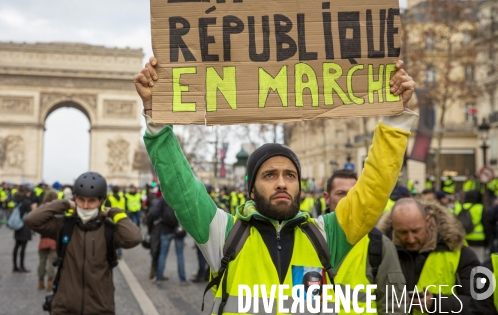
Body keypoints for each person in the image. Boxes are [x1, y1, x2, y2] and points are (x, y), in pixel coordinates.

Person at [134, 57, 416, 313]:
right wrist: (156, 122)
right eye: (269, 175)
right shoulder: (223, 234)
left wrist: (396, 121)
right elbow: (181, 187)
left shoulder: (327, 236)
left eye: (290, 175)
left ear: (299, 186)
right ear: (252, 189)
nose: (282, 182)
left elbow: (373, 189)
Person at [25, 172, 142, 314]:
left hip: (99, 309)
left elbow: (134, 238)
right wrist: (64, 203)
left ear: (101, 201)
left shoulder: (109, 230)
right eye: (81, 200)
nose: (85, 206)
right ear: (75, 199)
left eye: (91, 201)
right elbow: (31, 220)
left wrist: (114, 213)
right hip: (64, 308)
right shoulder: (63, 225)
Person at [323, 169, 407, 314]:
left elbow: (393, 305)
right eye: (341, 193)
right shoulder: (307, 238)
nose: (348, 200)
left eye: (354, 194)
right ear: (326, 198)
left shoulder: (379, 245)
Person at [377, 198, 480, 314]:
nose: (411, 239)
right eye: (403, 232)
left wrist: (436, 303)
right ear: (392, 226)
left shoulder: (459, 252)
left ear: (427, 221)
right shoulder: (378, 252)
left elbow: (479, 303)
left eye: (416, 231)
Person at [149, 195, 190, 286]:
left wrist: (161, 218)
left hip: (165, 230)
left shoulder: (164, 199)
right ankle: (183, 280)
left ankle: (158, 278)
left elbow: (154, 213)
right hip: (179, 230)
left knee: (163, 254)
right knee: (180, 255)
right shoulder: (181, 199)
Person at [37, 190, 58, 290]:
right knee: (52, 262)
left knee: (42, 261)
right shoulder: (58, 209)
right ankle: (50, 283)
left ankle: (40, 282)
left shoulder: (42, 208)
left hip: (43, 238)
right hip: (53, 239)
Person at [12, 185, 35, 272]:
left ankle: (15, 266)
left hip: (18, 225)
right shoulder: (27, 202)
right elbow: (30, 214)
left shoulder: (17, 200)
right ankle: (21, 266)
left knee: (16, 246)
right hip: (24, 226)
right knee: (23, 248)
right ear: (27, 193)